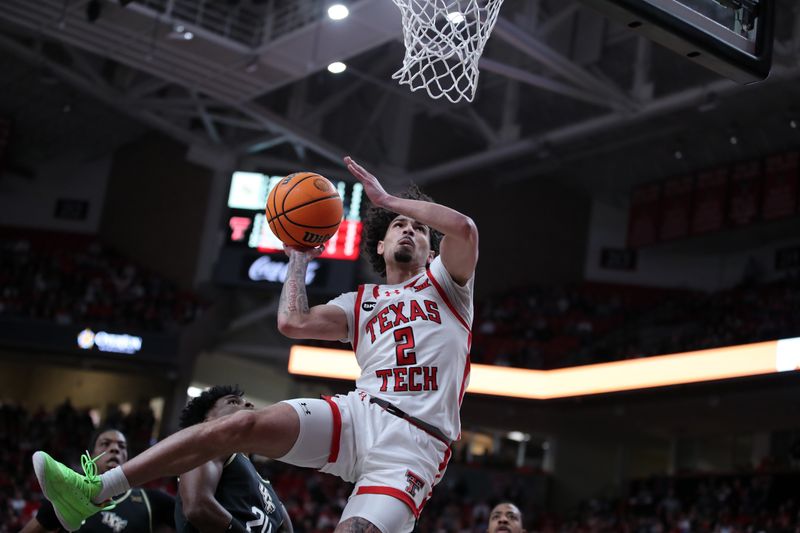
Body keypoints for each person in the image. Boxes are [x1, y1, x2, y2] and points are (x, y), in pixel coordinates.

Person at [32, 155, 479, 533]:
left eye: (418, 229)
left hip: (414, 443)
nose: (409, 230)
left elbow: (465, 229)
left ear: (431, 250)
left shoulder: (447, 286)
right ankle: (94, 492)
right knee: (238, 428)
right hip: (360, 412)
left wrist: (387, 200)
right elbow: (292, 322)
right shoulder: (361, 302)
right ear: (379, 245)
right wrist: (298, 259)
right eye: (399, 225)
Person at [174, 385, 293, 533]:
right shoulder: (209, 447)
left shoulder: (270, 492)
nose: (249, 404)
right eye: (233, 402)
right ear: (207, 421)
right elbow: (197, 507)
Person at [23, 426, 175, 533]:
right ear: (91, 455)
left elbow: (194, 518)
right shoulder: (67, 491)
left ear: (127, 456)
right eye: (105, 444)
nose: (115, 449)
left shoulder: (150, 501)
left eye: (122, 446)